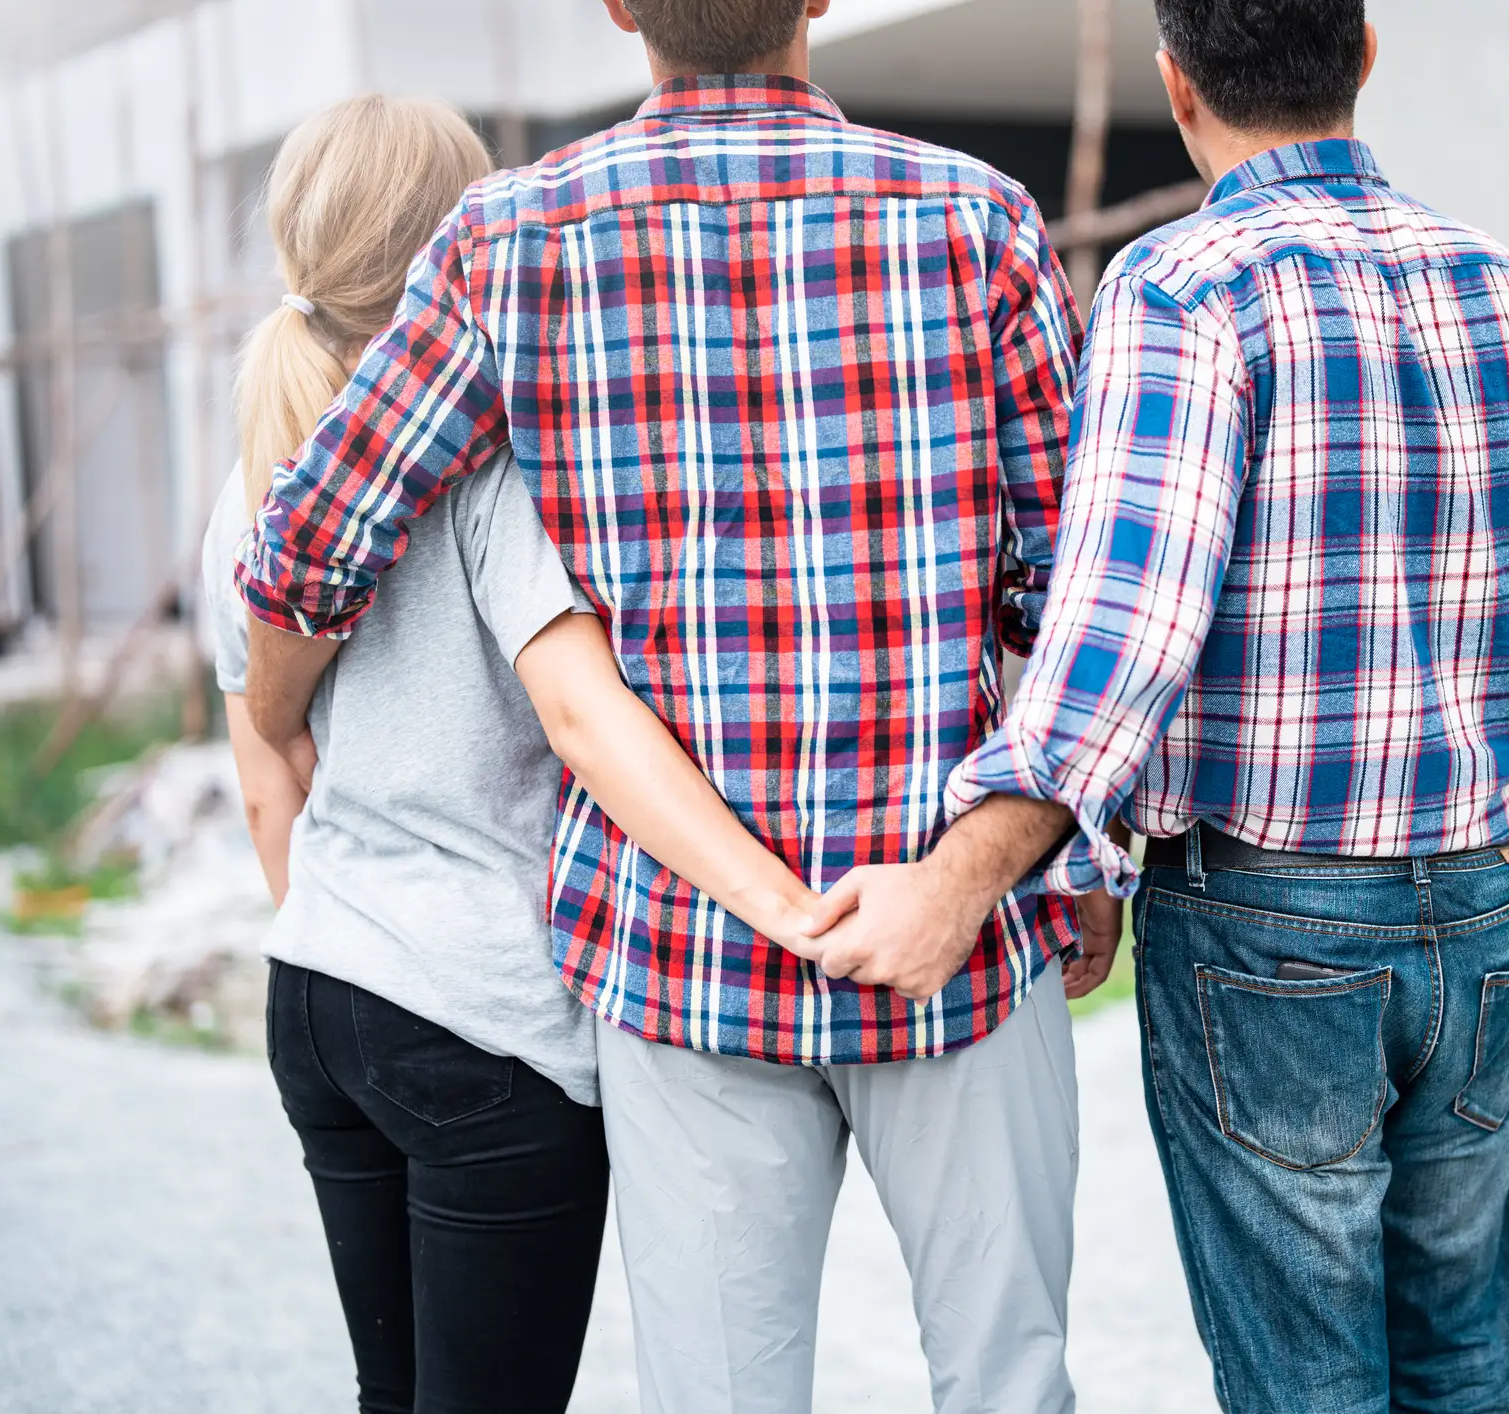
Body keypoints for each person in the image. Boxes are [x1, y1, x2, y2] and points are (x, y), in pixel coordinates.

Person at [230, 4, 1096, 1410]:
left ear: (621, 8)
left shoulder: (511, 241)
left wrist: (275, 723)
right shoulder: (980, 221)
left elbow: (309, 539)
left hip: (684, 959)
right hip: (958, 928)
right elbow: (1067, 606)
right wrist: (1057, 853)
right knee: (1010, 1380)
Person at [826, 1, 1509, 1410]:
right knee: (1469, 1365)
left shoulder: (1186, 287)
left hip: (1271, 929)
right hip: (1480, 909)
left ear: (1175, 85)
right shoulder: (1507, 286)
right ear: (1365, 57)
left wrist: (970, 871)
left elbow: (1119, 646)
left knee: (1309, 1383)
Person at [209, 94, 841, 1414]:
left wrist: (363, 946)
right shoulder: (493, 473)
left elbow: (267, 766)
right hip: (482, 1025)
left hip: (321, 991)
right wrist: (781, 900)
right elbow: (584, 719)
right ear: (463, 247)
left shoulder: (257, 479)